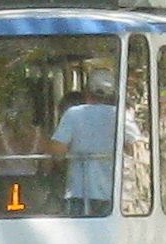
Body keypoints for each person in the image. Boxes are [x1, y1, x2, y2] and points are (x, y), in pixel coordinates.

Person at [50, 68, 122, 217]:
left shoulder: (73, 114)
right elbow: (137, 147)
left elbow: (57, 152)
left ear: (87, 92)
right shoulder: (121, 115)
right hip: (114, 195)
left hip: (78, 192)